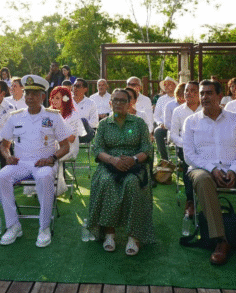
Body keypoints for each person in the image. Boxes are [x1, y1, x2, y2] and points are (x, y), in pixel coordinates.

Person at [184, 80, 236, 267]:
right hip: (204, 169)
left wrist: (233, 170)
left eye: (209, 93)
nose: (204, 97)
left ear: (220, 96)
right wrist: (212, 169)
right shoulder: (191, 122)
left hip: (234, 167)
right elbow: (189, 155)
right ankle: (220, 240)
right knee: (203, 180)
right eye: (202, 93)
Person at [0, 75, 72, 248]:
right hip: (21, 164)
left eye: (34, 93)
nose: (30, 97)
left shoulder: (53, 116)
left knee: (45, 178)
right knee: (1, 177)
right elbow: (4, 144)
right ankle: (13, 225)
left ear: (43, 97)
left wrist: (51, 158)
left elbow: (65, 146)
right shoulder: (15, 117)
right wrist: (8, 156)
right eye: (27, 93)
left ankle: (44, 227)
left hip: (44, 163)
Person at [88, 88, 154, 256]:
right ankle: (109, 233)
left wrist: (133, 159)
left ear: (129, 104)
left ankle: (134, 235)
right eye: (115, 100)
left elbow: (147, 148)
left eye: (122, 100)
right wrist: (112, 160)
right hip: (109, 164)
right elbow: (97, 149)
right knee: (106, 182)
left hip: (134, 164)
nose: (118, 103)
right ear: (110, 103)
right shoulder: (103, 124)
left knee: (133, 183)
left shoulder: (138, 123)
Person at [170, 81, 201, 217]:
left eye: (193, 91)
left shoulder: (206, 109)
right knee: (189, 164)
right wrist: (186, 144)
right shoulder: (178, 111)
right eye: (187, 91)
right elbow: (173, 135)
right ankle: (190, 201)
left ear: (200, 94)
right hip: (184, 147)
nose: (189, 93)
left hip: (205, 147)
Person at [49, 85, 80, 195]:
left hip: (69, 147)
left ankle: (52, 189)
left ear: (65, 99)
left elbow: (71, 139)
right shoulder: (49, 113)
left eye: (57, 98)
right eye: (53, 97)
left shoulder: (73, 115)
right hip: (52, 145)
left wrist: (57, 130)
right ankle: (41, 185)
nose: (54, 100)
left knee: (51, 156)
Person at [153, 77, 177, 161]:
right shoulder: (161, 99)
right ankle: (165, 160)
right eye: (165, 84)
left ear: (175, 85)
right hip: (164, 127)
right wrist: (160, 123)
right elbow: (156, 116)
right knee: (157, 132)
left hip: (178, 127)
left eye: (169, 84)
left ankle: (182, 159)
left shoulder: (179, 98)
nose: (166, 86)